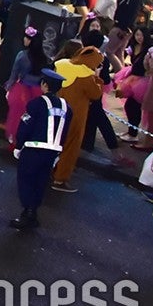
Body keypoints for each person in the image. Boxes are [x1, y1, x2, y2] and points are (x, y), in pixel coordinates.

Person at [10, 68, 69, 230]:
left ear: (44, 85)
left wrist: (19, 145)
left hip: (33, 149)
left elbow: (25, 126)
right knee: (40, 182)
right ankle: (33, 212)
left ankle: (27, 213)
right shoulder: (66, 107)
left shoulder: (35, 104)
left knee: (26, 181)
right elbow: (65, 131)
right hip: (52, 152)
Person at [51, 41, 107, 192]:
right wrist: (97, 78)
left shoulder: (61, 65)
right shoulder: (86, 77)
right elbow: (96, 95)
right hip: (75, 117)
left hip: (56, 111)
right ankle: (60, 179)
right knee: (70, 148)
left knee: (53, 141)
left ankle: (47, 170)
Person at [3, 27, 50, 150]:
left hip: (22, 90)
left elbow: (14, 74)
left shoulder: (22, 55)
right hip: (38, 92)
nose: (24, 39)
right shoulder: (44, 58)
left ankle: (15, 143)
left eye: (27, 37)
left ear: (30, 41)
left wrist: (8, 87)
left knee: (17, 118)